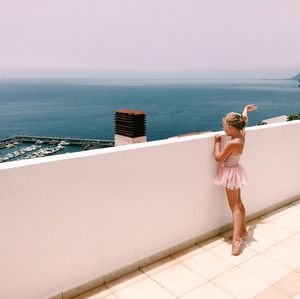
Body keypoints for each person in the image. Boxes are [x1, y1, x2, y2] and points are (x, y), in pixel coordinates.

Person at [214, 104, 257, 255]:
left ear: (232, 128)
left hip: (230, 174)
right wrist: (245, 109)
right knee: (239, 202)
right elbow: (244, 119)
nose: (224, 129)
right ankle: (243, 230)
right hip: (236, 171)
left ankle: (237, 239)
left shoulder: (232, 143)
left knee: (234, 207)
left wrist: (218, 142)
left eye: (225, 126)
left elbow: (219, 158)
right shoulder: (242, 135)